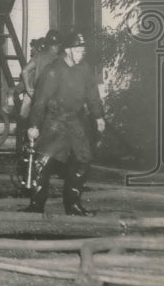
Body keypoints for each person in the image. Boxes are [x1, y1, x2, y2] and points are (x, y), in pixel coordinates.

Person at [21, 30, 106, 216]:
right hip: (55, 121)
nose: (81, 53)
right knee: (42, 162)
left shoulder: (85, 69)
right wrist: (34, 125)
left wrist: (98, 117)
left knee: (83, 160)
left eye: (83, 49)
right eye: (77, 49)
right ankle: (36, 205)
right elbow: (40, 100)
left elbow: (93, 95)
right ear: (67, 50)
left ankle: (73, 205)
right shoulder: (53, 70)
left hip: (76, 120)